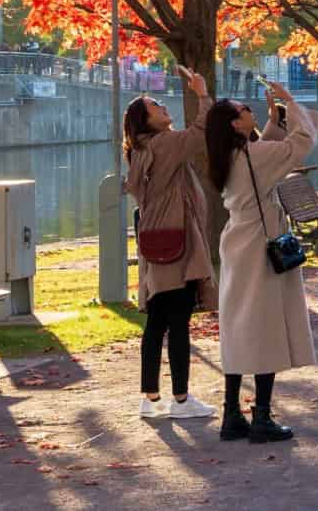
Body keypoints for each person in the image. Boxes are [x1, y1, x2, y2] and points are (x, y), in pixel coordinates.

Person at [205, 82, 314, 444]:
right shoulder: (253, 157)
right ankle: (262, 418)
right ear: (236, 124)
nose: (249, 110)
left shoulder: (228, 156)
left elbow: (262, 154)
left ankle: (231, 414)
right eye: (244, 110)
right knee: (265, 327)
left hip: (237, 242)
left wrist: (272, 119)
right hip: (259, 244)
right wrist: (290, 100)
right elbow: (297, 147)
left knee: (237, 328)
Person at [125, 68, 218, 421]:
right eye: (156, 105)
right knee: (177, 322)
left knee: (158, 323)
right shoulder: (164, 144)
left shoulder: (142, 150)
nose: (164, 108)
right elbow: (201, 132)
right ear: (146, 120)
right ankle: (180, 399)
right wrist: (202, 93)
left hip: (156, 243)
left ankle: (150, 397)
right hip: (175, 246)